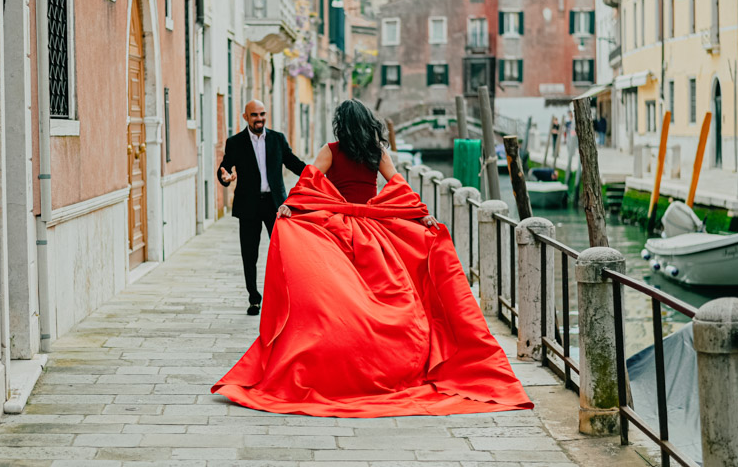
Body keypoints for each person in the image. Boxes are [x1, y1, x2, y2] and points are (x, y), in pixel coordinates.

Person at [211, 99, 533, 418]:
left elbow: (309, 180)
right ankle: (380, 361)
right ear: (367, 123)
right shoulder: (376, 152)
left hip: (335, 227)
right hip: (372, 232)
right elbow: (397, 183)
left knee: (340, 301)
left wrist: (291, 206)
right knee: (388, 295)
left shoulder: (332, 150)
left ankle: (344, 359)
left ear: (342, 124)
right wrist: (420, 214)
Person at [217, 99, 305, 316]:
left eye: (262, 114)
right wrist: (226, 178)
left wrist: (317, 176)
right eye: (254, 115)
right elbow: (225, 168)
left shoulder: (277, 139)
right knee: (250, 254)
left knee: (284, 254)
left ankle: (286, 296)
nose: (259, 119)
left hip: (276, 205)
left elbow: (294, 163)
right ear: (245, 117)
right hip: (248, 205)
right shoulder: (235, 142)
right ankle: (254, 299)